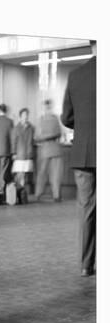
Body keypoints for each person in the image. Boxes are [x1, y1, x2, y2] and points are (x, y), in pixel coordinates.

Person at [61, 40, 96, 277]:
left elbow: (66, 117)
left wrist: (84, 128)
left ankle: (86, 265)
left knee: (87, 209)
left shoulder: (76, 75)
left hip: (84, 153)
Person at [35, 99, 63, 201]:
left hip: (45, 150)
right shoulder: (55, 119)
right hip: (54, 149)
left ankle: (39, 194)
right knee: (55, 174)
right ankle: (56, 195)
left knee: (43, 173)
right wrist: (52, 135)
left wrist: (45, 136)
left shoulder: (41, 120)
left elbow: (37, 137)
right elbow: (59, 133)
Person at [11, 108, 35, 200]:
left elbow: (33, 139)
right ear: (20, 117)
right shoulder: (16, 128)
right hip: (20, 155)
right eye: (24, 115)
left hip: (28, 154)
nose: (26, 117)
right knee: (20, 176)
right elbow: (13, 142)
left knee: (27, 175)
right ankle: (19, 195)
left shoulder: (31, 128)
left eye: (27, 115)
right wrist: (13, 153)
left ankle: (24, 195)